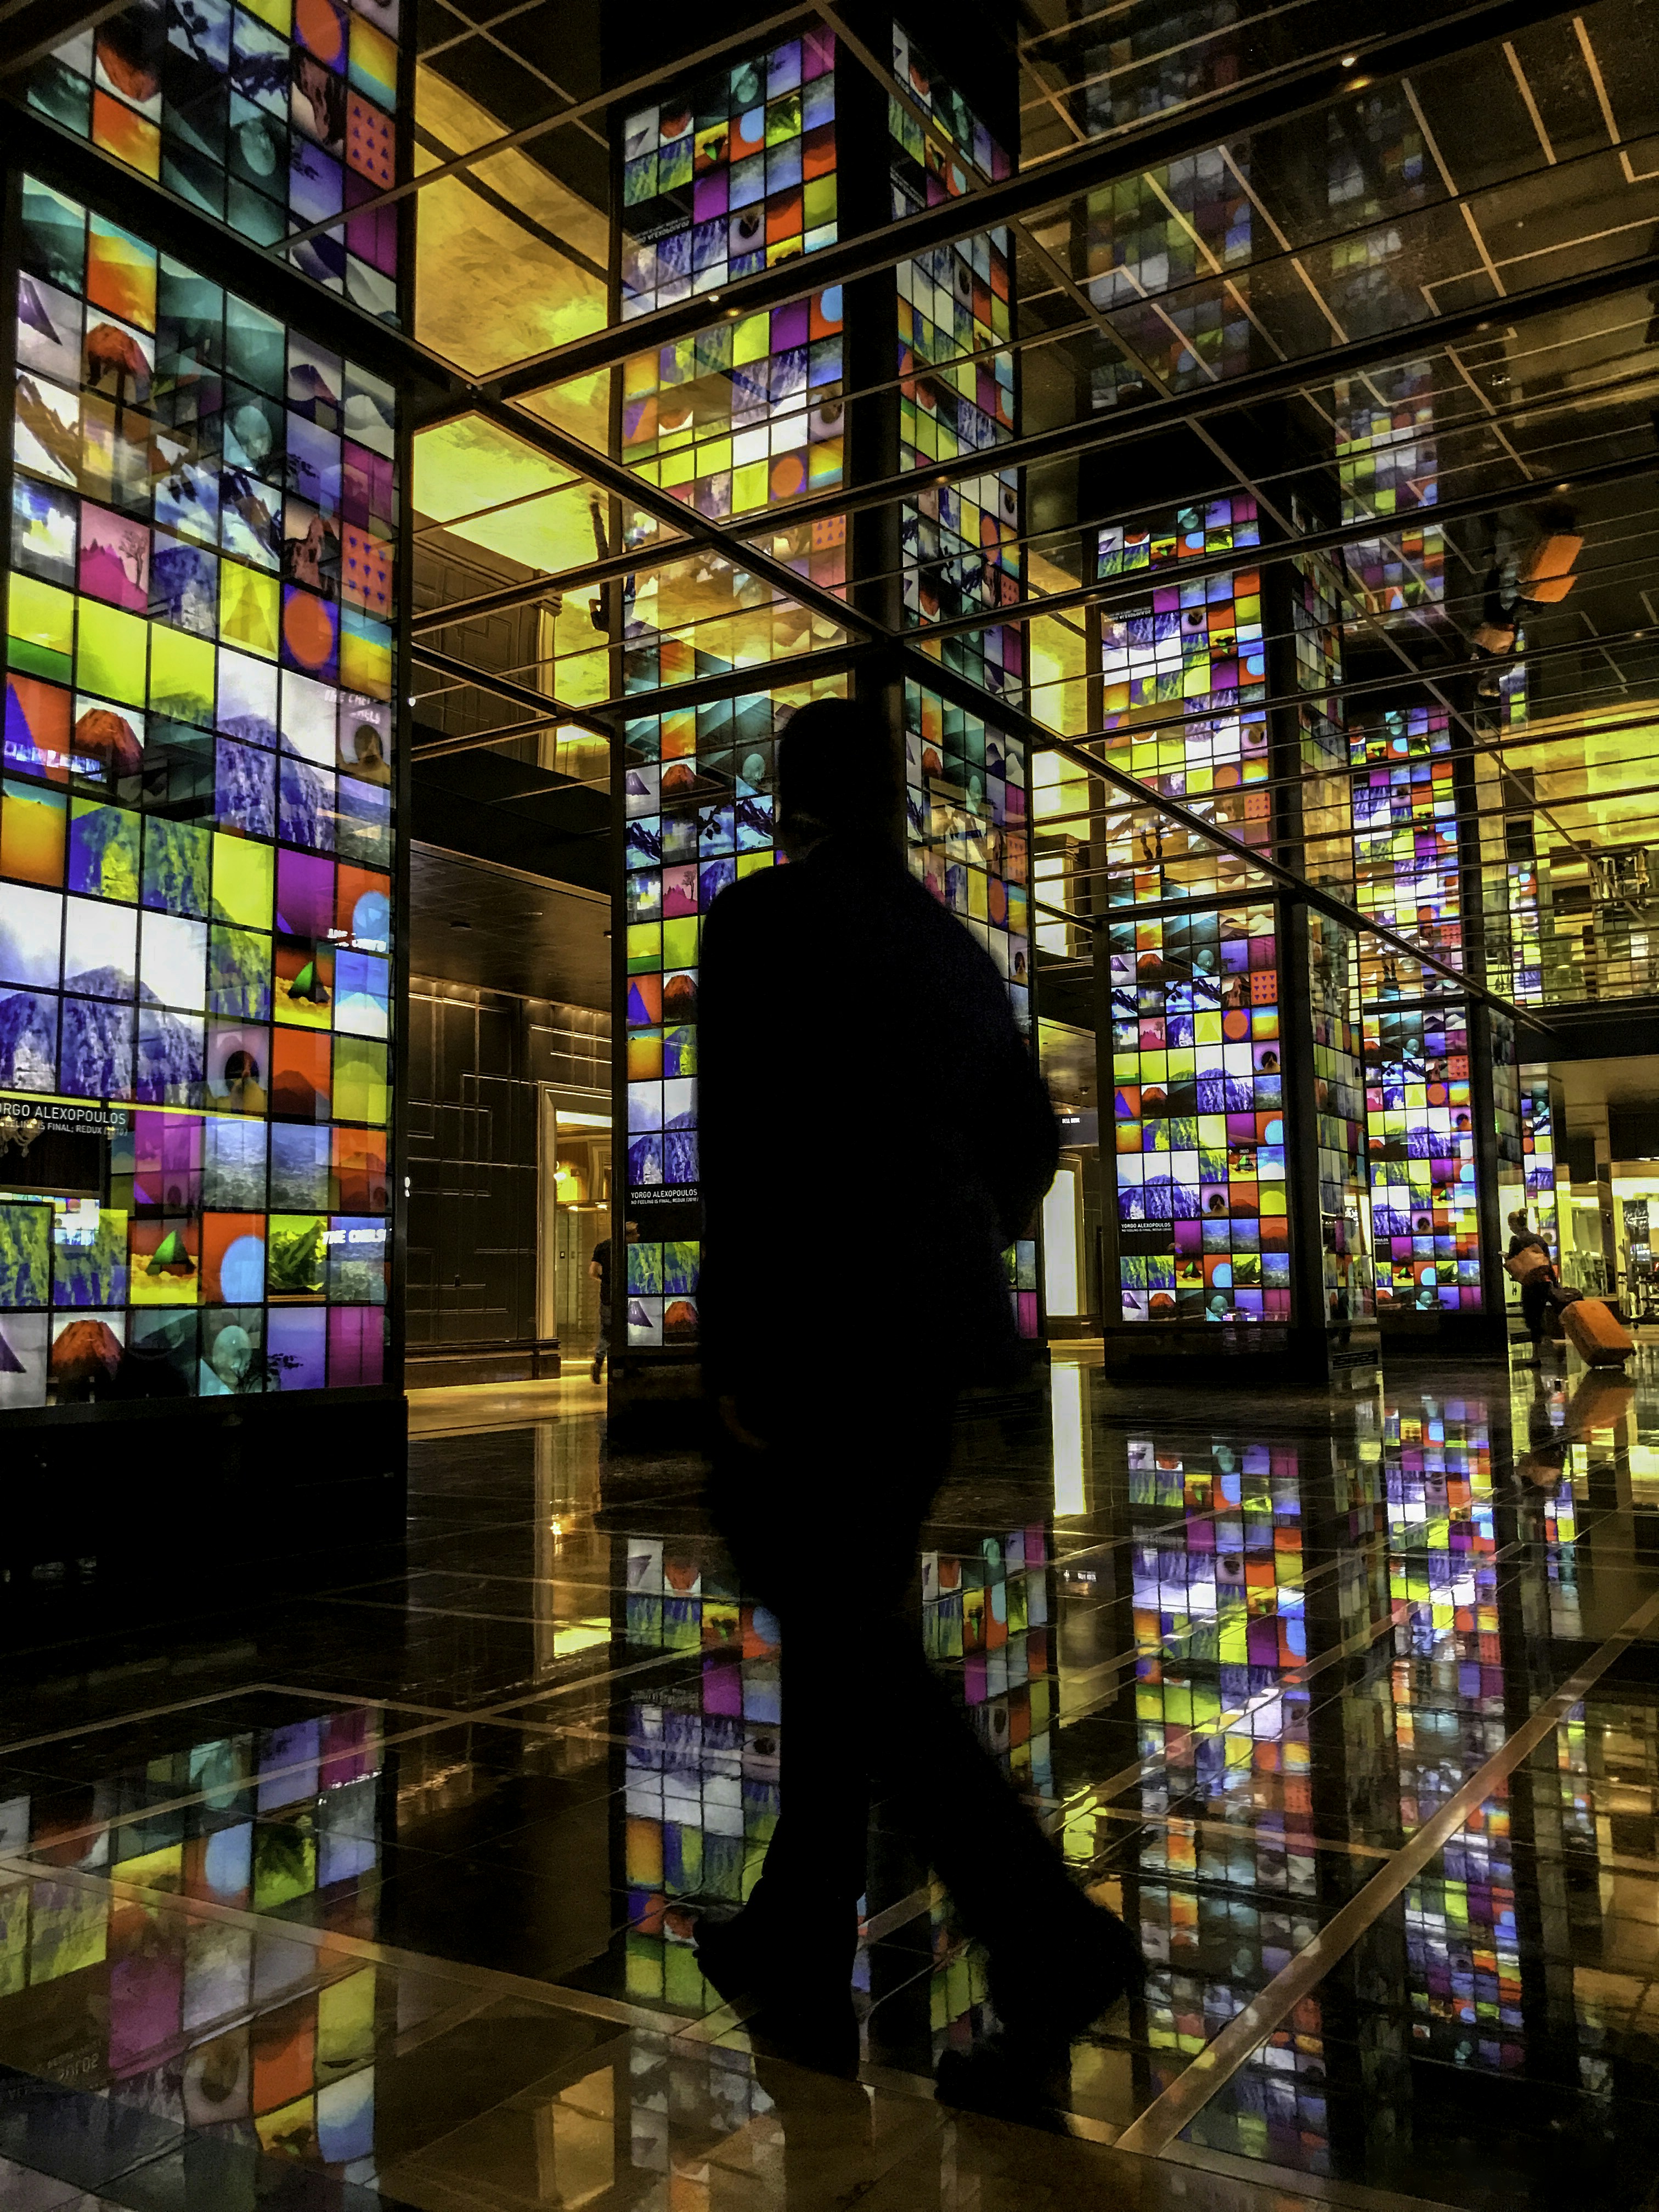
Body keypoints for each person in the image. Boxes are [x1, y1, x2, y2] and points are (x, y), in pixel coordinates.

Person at [695, 696, 1141, 2093]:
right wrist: (952, 1250)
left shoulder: (757, 924)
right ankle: (791, 1922)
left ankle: (1044, 1931)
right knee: (852, 1617)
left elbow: (744, 1154)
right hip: (926, 1350)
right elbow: (1031, 1148)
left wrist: (738, 1347)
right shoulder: (956, 955)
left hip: (810, 1333)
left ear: (790, 797)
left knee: (846, 1633)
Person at [588, 1220, 637, 1384]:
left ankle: (599, 1360)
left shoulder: (602, 1247)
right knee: (630, 1330)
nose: (638, 1236)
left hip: (607, 1297)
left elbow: (592, 1272)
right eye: (635, 1234)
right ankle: (627, 1367)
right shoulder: (631, 1249)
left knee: (607, 1332)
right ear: (628, 1236)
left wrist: (605, 1280)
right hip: (627, 1296)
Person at [1507, 1208, 1558, 1364]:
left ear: (1514, 1224)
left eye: (1510, 1224)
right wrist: (1555, 1283)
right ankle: (1547, 1343)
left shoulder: (1516, 1241)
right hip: (1544, 1283)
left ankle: (1536, 1355)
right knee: (1540, 1314)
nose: (1510, 1227)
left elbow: (1514, 1262)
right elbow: (1547, 1262)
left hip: (1530, 1284)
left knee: (1532, 1318)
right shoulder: (1539, 1239)